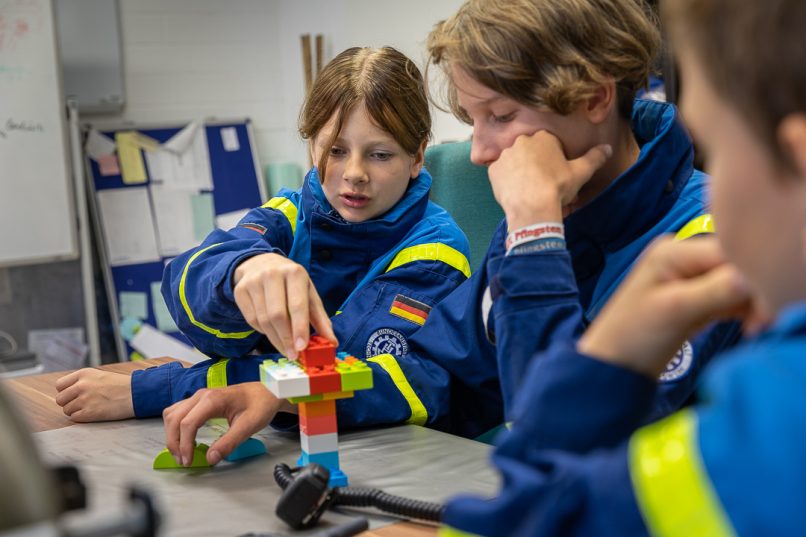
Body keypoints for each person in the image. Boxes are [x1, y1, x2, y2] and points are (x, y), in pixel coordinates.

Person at [160, 0, 741, 468]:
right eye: (472, 121)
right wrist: (287, 398)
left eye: (502, 117)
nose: (481, 152)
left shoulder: (708, 240)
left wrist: (535, 233)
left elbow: (571, 444)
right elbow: (442, 373)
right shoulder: (557, 212)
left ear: (593, 99)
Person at [438, 0, 806, 534]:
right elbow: (448, 362)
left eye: (720, 151)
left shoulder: (688, 237)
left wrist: (537, 241)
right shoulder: (537, 212)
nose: (477, 152)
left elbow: (542, 507)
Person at [54, 46, 471, 427]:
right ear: (311, 147)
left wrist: (152, 390)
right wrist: (242, 270)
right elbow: (186, 289)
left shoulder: (435, 253)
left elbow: (343, 373)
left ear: (417, 156)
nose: (354, 173)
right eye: (336, 150)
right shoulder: (287, 214)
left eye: (380, 155)